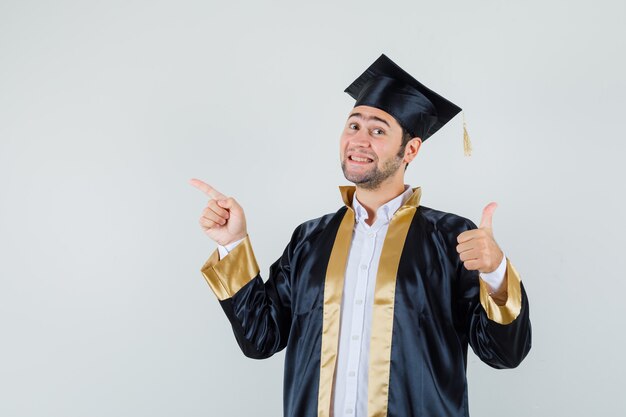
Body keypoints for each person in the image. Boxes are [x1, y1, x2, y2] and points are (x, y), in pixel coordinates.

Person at [190, 54, 531, 417]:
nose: (359, 140)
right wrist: (233, 243)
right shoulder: (310, 239)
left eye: (378, 130)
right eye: (353, 126)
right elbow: (260, 338)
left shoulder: (452, 238)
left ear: (411, 150)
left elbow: (503, 355)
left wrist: (496, 274)